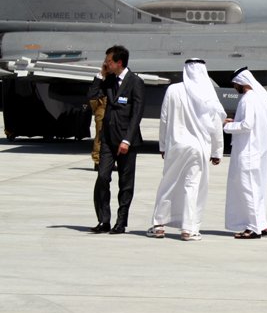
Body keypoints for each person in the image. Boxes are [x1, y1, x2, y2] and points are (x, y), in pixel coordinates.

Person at [147, 59, 225, 241]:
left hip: (176, 145)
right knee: (192, 186)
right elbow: (216, 124)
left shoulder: (173, 90)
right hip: (199, 148)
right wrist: (217, 151)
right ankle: (188, 229)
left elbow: (164, 119)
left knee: (168, 183)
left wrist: (163, 146)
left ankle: (158, 225)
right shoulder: (208, 92)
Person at [91, 45, 146, 234]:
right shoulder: (108, 80)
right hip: (107, 139)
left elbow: (137, 114)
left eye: (109, 61)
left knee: (125, 183)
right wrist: (100, 75)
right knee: (102, 178)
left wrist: (127, 140)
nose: (106, 63)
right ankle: (103, 220)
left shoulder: (135, 82)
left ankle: (121, 222)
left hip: (126, 140)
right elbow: (92, 95)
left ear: (119, 62)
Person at [224, 67, 267, 239]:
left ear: (240, 82)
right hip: (257, 150)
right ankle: (262, 224)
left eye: (235, 84)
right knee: (256, 189)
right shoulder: (262, 98)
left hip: (247, 151)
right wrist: (235, 121)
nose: (234, 88)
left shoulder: (248, 99)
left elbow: (247, 125)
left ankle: (253, 228)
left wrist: (227, 126)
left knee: (248, 189)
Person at [86, 63, 109, 170]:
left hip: (112, 109)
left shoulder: (115, 79)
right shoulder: (100, 79)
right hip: (102, 108)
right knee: (100, 136)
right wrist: (101, 74)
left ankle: (109, 161)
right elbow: (92, 94)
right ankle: (98, 161)